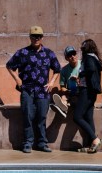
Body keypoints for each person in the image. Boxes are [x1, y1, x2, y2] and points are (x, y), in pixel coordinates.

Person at [6, 25, 61, 153]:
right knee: (28, 116)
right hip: (27, 90)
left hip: (43, 91)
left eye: (39, 36)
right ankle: (28, 143)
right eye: (34, 36)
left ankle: (42, 143)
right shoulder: (22, 53)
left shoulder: (49, 53)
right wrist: (17, 80)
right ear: (30, 37)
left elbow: (57, 69)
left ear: (42, 37)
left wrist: (52, 82)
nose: (37, 38)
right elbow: (9, 66)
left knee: (42, 117)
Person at [74, 39, 102, 153]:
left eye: (82, 49)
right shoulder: (95, 58)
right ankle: (91, 145)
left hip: (86, 90)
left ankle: (95, 139)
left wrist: (80, 74)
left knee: (77, 117)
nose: (81, 51)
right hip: (92, 91)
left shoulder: (89, 58)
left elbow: (90, 69)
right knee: (88, 117)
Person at [51, 46, 81, 118]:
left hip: (82, 91)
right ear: (66, 58)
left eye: (74, 54)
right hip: (71, 92)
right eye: (69, 55)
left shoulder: (83, 65)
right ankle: (64, 106)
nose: (72, 56)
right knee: (64, 97)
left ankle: (64, 106)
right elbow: (62, 87)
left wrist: (77, 80)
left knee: (72, 99)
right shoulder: (64, 70)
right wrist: (67, 91)